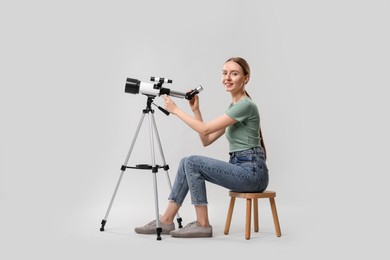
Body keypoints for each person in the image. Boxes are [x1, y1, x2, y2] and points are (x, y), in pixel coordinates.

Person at [134, 57, 269, 238]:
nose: (227, 78)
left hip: (253, 174)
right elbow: (206, 139)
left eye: (234, 74)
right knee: (185, 162)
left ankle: (203, 224)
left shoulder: (245, 106)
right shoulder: (235, 106)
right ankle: (166, 220)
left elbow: (205, 129)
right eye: (224, 73)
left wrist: (176, 110)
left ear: (246, 78)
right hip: (242, 168)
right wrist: (195, 110)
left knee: (192, 162)